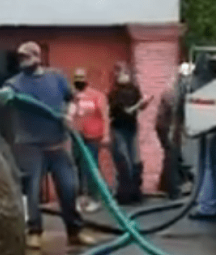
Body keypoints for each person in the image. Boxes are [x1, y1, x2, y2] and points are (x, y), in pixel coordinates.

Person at [4, 42, 95, 250]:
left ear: (38, 58)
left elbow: (71, 100)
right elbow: (3, 99)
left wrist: (69, 115)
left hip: (57, 144)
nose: (23, 61)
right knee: (32, 191)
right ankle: (34, 231)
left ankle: (75, 231)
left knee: (69, 187)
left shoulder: (56, 77)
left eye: (27, 57)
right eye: (20, 58)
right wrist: (3, 98)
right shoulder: (14, 84)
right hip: (30, 146)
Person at [107, 62, 153, 205]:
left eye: (125, 73)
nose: (123, 76)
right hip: (119, 128)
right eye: (120, 73)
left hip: (132, 128)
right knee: (124, 161)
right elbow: (125, 111)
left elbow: (139, 108)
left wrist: (144, 103)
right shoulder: (114, 93)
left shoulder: (134, 90)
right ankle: (124, 194)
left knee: (136, 162)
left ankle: (135, 192)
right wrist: (138, 105)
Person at [70, 68, 110, 213]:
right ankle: (81, 197)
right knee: (77, 167)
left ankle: (95, 198)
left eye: (81, 77)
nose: (79, 80)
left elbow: (105, 116)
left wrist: (106, 135)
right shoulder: (72, 96)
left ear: (87, 79)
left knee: (91, 167)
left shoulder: (96, 96)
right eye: (76, 77)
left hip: (93, 136)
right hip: (76, 136)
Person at [155, 62, 195, 198]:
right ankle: (173, 189)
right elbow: (175, 112)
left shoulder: (175, 90)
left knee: (173, 156)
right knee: (172, 156)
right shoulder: (174, 92)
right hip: (168, 127)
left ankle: (166, 186)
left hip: (168, 127)